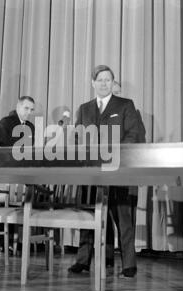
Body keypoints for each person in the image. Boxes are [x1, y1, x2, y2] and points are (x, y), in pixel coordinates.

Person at [68, 65, 145, 278]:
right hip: (92, 173)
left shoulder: (125, 105)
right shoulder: (84, 109)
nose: (104, 83)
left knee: (124, 220)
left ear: (113, 83)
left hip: (120, 172)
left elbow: (133, 135)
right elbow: (78, 138)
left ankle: (129, 264)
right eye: (100, 79)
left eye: (108, 79)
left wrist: (112, 155)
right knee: (89, 217)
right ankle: (83, 261)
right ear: (93, 83)